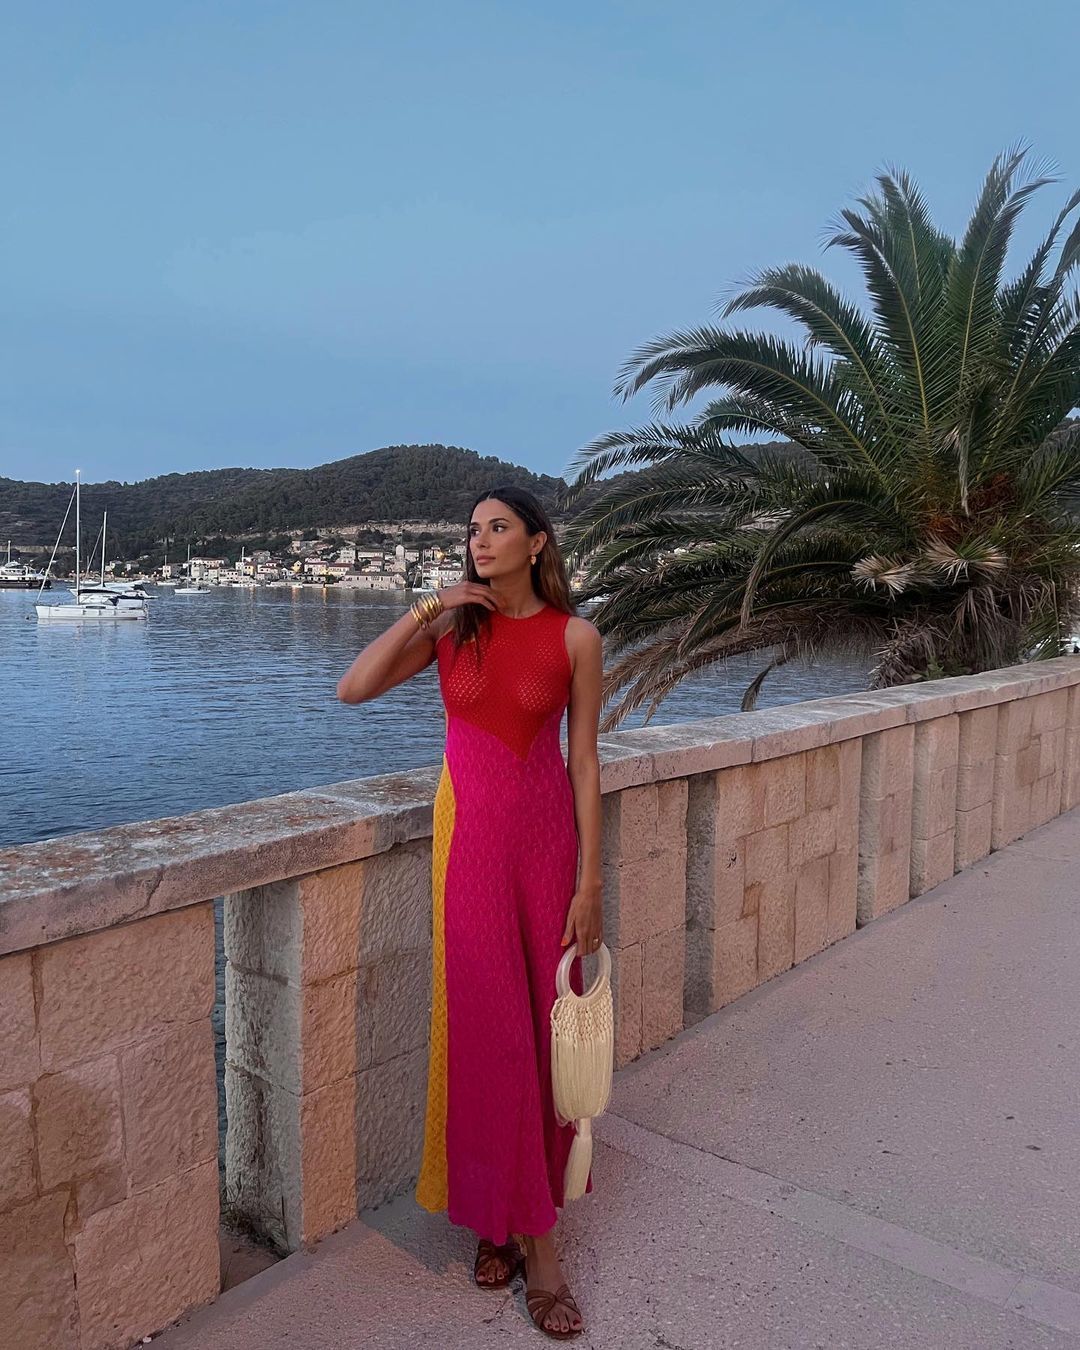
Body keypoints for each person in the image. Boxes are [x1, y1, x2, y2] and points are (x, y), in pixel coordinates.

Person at [337, 485, 604, 1340]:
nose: (480, 542)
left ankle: (532, 1239)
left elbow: (585, 763)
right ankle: (503, 1221)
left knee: (539, 1039)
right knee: (492, 1039)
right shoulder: (455, 630)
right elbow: (353, 688)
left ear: (537, 542)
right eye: (473, 532)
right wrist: (429, 607)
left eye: (499, 528)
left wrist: (590, 883)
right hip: (473, 859)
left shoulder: (575, 638)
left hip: (546, 853)